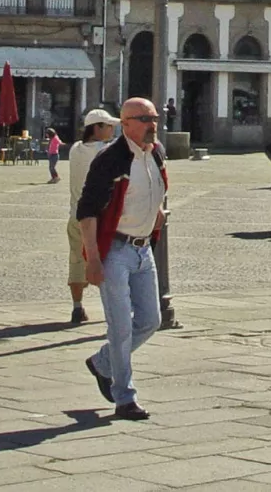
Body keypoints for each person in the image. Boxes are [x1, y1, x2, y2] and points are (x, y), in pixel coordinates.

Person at [76, 97, 167, 421]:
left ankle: (102, 363)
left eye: (155, 117)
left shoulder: (155, 152)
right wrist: (93, 259)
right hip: (114, 250)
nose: (152, 124)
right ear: (125, 124)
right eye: (144, 118)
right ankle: (124, 398)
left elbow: (153, 189)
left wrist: (156, 213)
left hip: (143, 250)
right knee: (121, 327)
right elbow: (86, 211)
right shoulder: (110, 160)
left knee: (150, 320)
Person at [66, 108, 118, 325]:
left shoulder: (75, 149)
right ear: (96, 128)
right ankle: (115, 309)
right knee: (110, 261)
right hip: (99, 217)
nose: (113, 130)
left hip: (75, 215)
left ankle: (77, 307)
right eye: (108, 126)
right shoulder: (105, 151)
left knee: (76, 261)